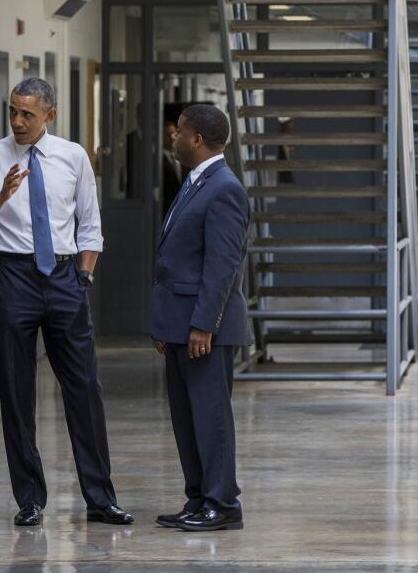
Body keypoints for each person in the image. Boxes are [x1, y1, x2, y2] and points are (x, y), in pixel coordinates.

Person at [0, 77, 132, 527]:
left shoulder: (73, 157)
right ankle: (29, 500)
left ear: (49, 115)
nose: (17, 121)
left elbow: (90, 225)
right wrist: (1, 196)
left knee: (84, 389)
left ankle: (100, 498)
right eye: (13, 112)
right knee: (16, 392)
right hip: (13, 274)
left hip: (65, 276)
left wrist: (84, 275)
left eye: (27, 114)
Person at [150, 104, 250, 532]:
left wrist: (203, 325)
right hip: (179, 324)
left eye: (179, 132)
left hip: (203, 328)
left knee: (210, 417)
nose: (172, 137)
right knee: (187, 418)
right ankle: (199, 498)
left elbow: (222, 265)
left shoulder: (224, 188)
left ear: (196, 140)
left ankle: (222, 503)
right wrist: (164, 325)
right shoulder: (196, 183)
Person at [160, 118, 183, 213]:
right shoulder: (157, 160)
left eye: (174, 134)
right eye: (167, 135)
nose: (172, 138)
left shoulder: (184, 157)